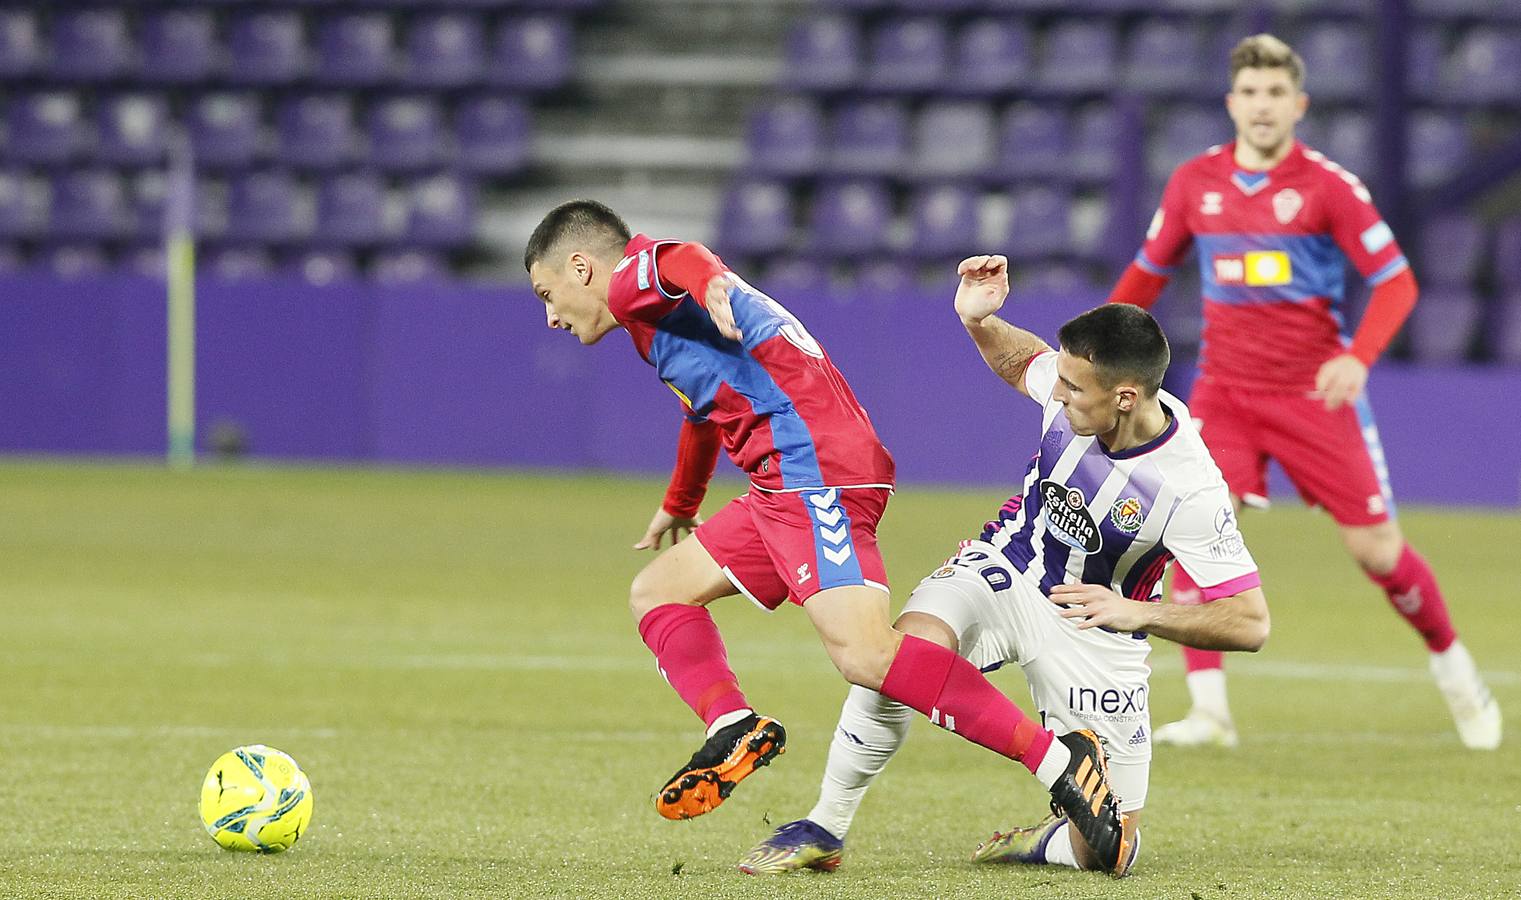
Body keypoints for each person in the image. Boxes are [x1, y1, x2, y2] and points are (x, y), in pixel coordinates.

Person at [524, 202, 1133, 871]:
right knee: (659, 592)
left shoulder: (636, 278)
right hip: (777, 480)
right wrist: (681, 502)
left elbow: (680, 259)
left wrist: (713, 283)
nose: (551, 316)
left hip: (812, 466)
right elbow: (702, 416)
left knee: (867, 654)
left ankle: (1057, 759)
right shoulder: (654, 329)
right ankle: (731, 725)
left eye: (547, 295)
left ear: (581, 267)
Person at [740, 256, 1268, 876]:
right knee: (894, 658)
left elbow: (1249, 622)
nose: (1058, 392)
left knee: (1112, 852)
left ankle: (1042, 840)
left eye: (1073, 388)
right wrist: (977, 321)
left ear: (1125, 398)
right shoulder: (1073, 388)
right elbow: (1025, 361)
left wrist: (1137, 611)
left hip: (1097, 624)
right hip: (1006, 569)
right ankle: (825, 826)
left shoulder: (1190, 488)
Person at [1106, 34, 1501, 750]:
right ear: (1231, 103)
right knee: (1197, 534)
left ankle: (1454, 669)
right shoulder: (1194, 183)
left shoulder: (1328, 188)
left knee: (1378, 553)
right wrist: (1094, 350)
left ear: (1298, 104)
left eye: (1274, 94)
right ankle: (1209, 711)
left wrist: (1356, 357)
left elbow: (1395, 282)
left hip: (1312, 396)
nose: (1261, 106)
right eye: (1250, 93)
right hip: (1225, 393)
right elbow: (1145, 277)